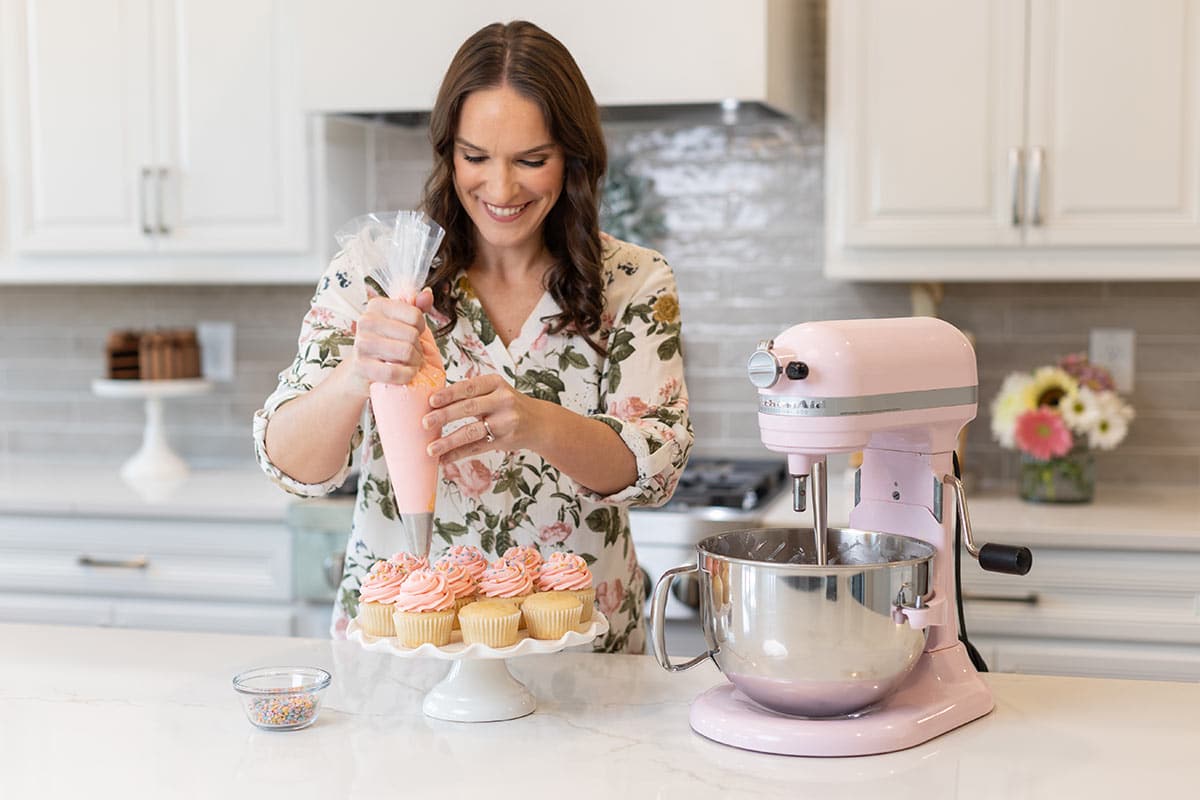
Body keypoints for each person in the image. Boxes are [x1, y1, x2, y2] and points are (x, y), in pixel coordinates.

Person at [253, 20, 692, 653]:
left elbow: (656, 469)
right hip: (403, 644)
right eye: (475, 157)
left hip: (581, 650)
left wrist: (536, 421)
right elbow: (292, 467)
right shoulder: (377, 271)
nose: (502, 188)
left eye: (531, 160)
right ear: (447, 152)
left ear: (573, 157)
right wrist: (357, 374)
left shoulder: (632, 282)